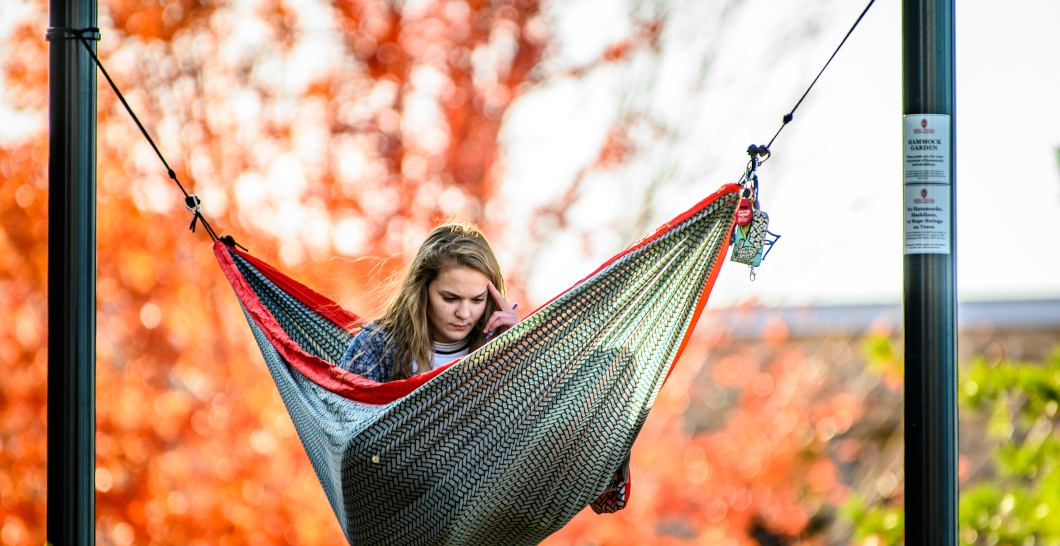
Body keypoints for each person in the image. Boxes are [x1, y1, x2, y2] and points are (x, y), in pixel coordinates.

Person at [338, 222, 519, 382]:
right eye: (450, 298)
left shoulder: (498, 349)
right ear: (421, 289)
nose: (464, 314)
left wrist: (517, 349)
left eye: (477, 300)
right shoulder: (375, 348)